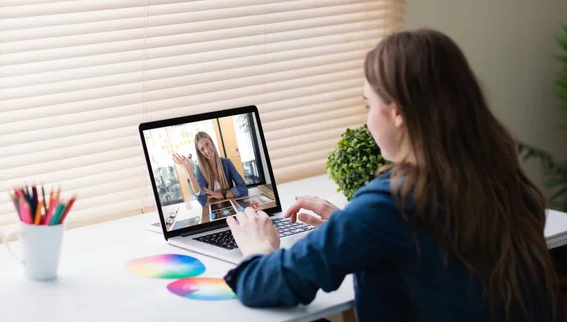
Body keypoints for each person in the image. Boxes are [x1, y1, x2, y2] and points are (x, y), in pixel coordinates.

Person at [222, 29, 560, 322]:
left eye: (368, 104)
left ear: (396, 112)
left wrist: (258, 247)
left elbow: (268, 284)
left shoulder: (392, 202)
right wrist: (350, 226)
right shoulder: (496, 175)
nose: (368, 118)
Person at [173, 131, 248, 207]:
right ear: (200, 153)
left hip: (232, 206)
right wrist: (188, 170)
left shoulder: (226, 163)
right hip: (214, 209)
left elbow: (243, 189)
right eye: (202, 149)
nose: (207, 150)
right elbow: (203, 200)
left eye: (207, 144)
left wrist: (221, 194)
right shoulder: (200, 169)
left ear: (211, 142)